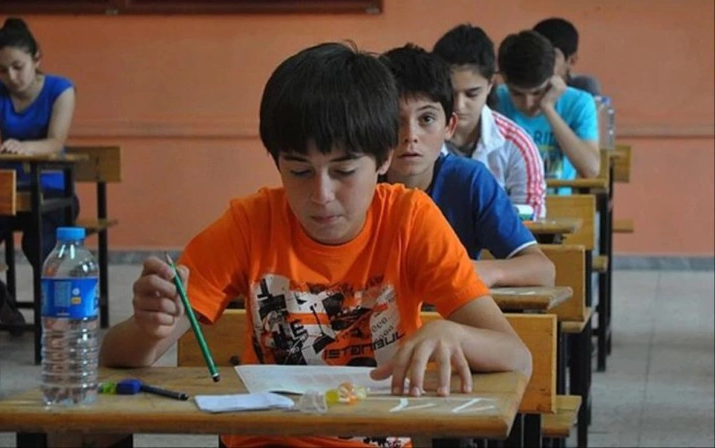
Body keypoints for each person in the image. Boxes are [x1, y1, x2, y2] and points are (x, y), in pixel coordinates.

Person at [99, 42, 532, 448]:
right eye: (300, 172)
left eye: (344, 172)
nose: (321, 196)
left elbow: (517, 357)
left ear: (384, 158)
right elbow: (116, 357)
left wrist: (453, 332)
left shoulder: (410, 221)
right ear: (277, 162)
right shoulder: (250, 224)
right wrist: (149, 328)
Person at [380, 43, 554, 289]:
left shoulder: (469, 181)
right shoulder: (357, 181)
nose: (411, 136)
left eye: (426, 119)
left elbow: (543, 270)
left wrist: (483, 271)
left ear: (449, 126)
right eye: (395, 121)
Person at [0, 17, 79, 332]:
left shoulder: (60, 89)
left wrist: (23, 146)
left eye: (18, 66)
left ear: (36, 58)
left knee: (39, 245)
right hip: (8, 193)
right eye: (1, 70)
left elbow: (55, 142)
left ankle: (56, 320)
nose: (11, 77)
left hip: (52, 191)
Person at [432, 24, 547, 219]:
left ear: (490, 85)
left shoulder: (517, 145)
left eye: (472, 94)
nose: (459, 105)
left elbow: (531, 220)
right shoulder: (418, 140)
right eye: (451, 93)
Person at [495, 30, 600, 188]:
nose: (528, 103)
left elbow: (591, 169)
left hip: (559, 202)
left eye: (537, 92)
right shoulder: (495, 101)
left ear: (553, 77)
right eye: (517, 94)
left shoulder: (579, 102)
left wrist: (548, 109)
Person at [533, 17, 601, 96]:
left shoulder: (583, 87)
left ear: (572, 60)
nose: (541, 62)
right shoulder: (522, 84)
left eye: (551, 57)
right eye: (536, 54)